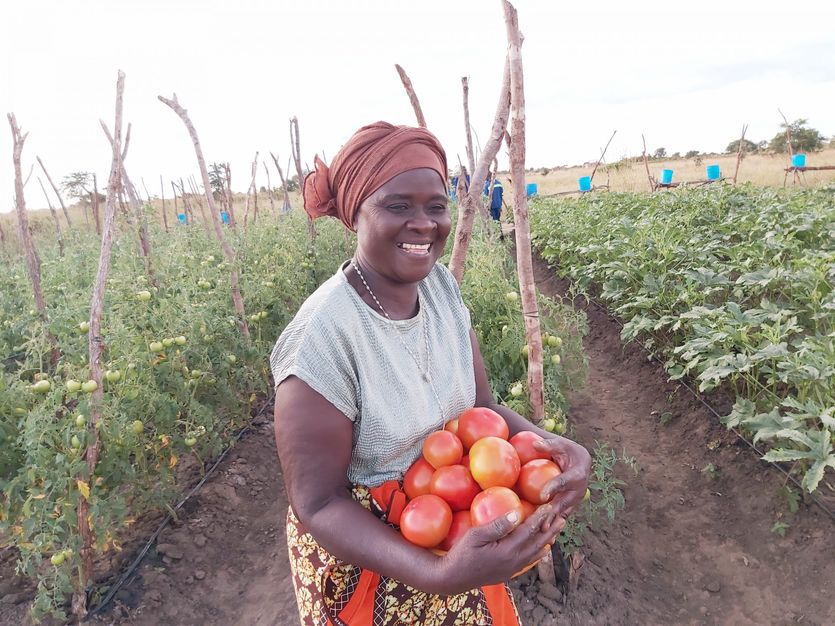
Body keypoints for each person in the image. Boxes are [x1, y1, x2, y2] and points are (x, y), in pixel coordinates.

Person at [270, 121, 591, 626]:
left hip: (451, 541)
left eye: (436, 206)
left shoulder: (441, 289)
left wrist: (555, 447)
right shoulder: (320, 341)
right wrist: (436, 573)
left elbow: (483, 409)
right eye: (398, 205)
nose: (423, 224)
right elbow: (318, 503)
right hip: (371, 565)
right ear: (356, 213)